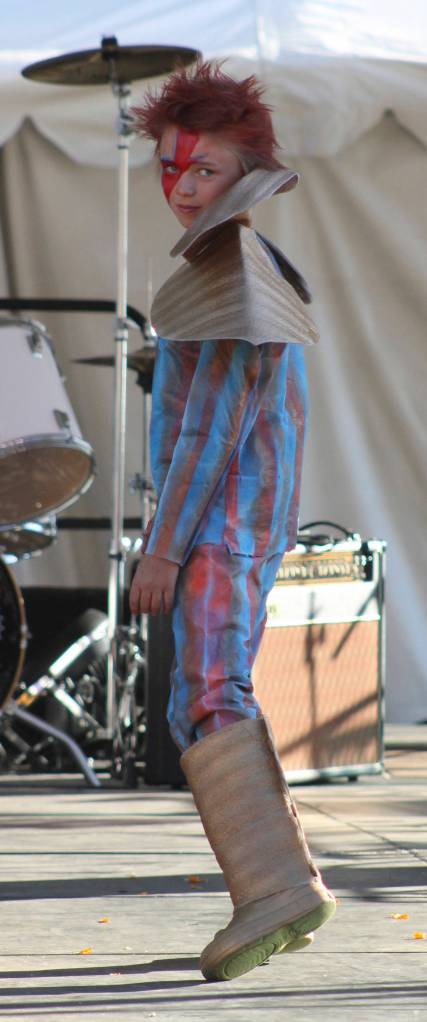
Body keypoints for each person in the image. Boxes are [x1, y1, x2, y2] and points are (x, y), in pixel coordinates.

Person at [130, 61, 335, 982]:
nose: (180, 186)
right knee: (210, 695)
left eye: (202, 168)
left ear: (245, 172)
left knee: (208, 696)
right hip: (240, 523)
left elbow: (214, 427)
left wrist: (164, 548)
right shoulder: (248, 262)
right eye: (171, 168)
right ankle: (285, 883)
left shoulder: (233, 269)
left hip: (219, 527)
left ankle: (272, 891)